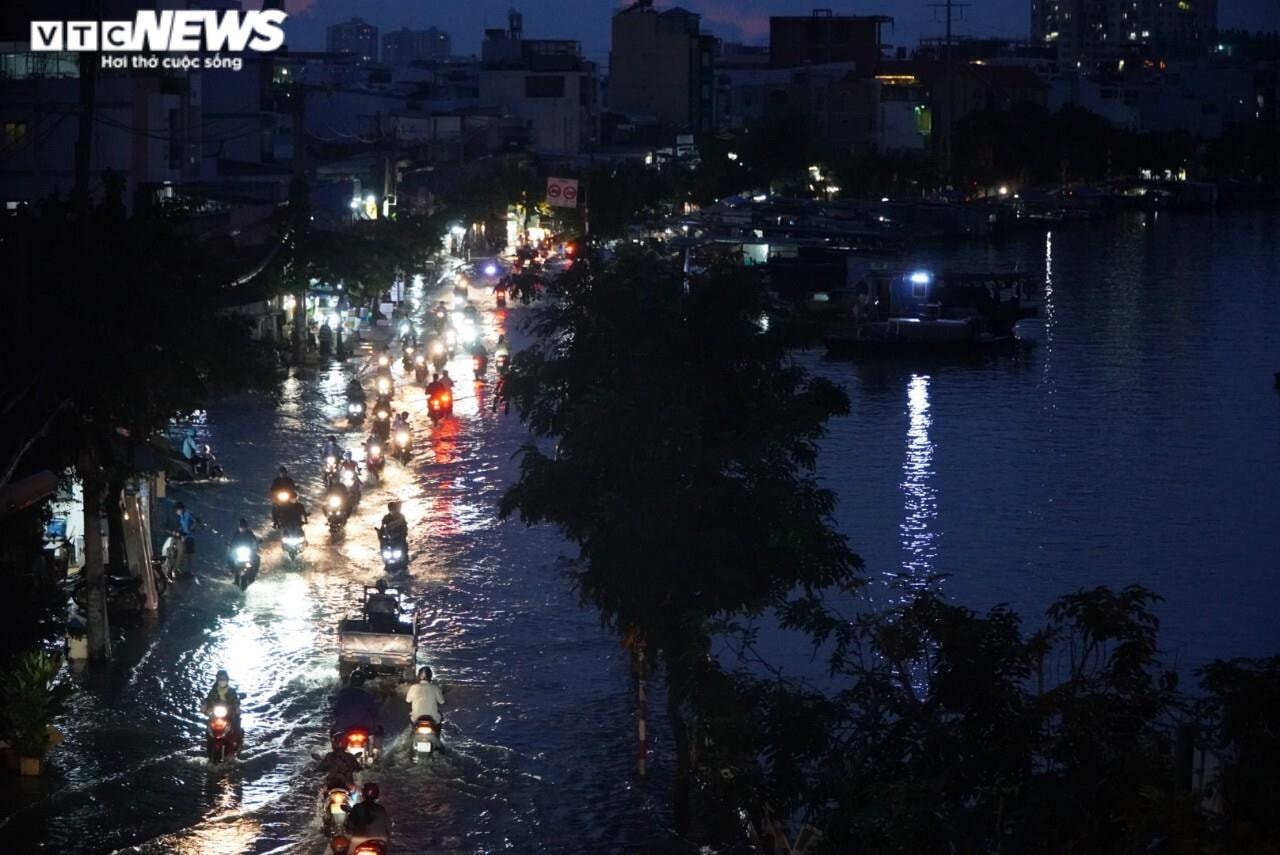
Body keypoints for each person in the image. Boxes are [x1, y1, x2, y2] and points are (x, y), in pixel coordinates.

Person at [332, 671, 380, 744]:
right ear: (363, 681)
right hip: (366, 725)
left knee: (333, 732)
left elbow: (337, 710)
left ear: (351, 681)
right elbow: (374, 711)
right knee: (379, 731)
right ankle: (376, 751)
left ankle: (336, 751)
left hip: (345, 724)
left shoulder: (344, 693)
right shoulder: (368, 694)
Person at [203, 669, 243, 747]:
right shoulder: (213, 691)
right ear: (217, 680)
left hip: (229, 712)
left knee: (236, 721)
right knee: (209, 723)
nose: (222, 681)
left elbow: (236, 701)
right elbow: (208, 700)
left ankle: (236, 741)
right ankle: (209, 740)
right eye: (220, 679)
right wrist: (205, 706)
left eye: (223, 679)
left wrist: (237, 708)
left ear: (227, 680)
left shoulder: (232, 691)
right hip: (216, 712)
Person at [175, 502, 197, 575]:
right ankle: (181, 569)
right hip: (184, 538)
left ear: (181, 509)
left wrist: (191, 529)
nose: (176, 512)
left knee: (189, 555)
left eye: (177, 510)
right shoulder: (181, 517)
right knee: (182, 553)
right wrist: (179, 530)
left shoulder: (188, 514)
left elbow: (195, 522)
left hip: (190, 538)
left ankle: (189, 571)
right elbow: (182, 525)